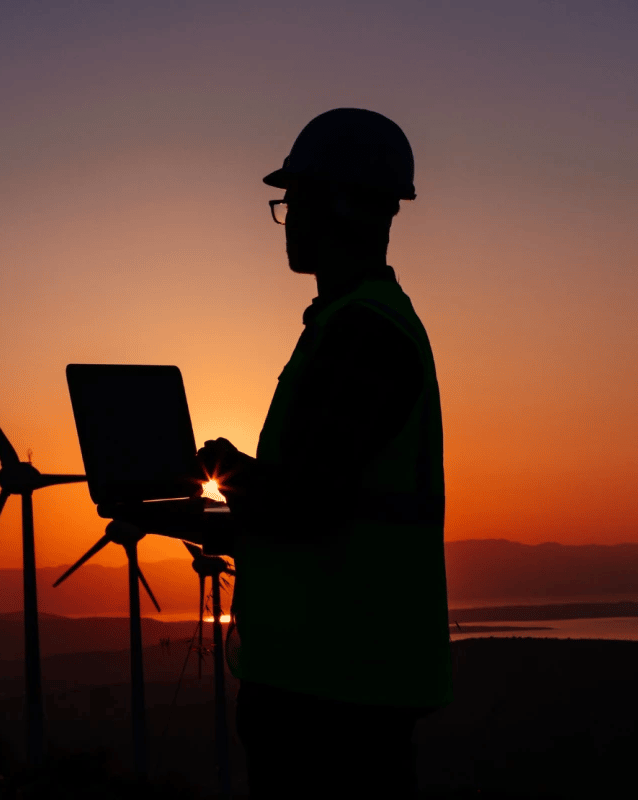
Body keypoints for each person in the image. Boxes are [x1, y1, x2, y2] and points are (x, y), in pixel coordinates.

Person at [197, 108, 452, 798]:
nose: (289, 219)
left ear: (341, 203)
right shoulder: (357, 323)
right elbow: (326, 499)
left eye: (295, 200)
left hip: (334, 688)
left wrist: (219, 484)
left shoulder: (362, 334)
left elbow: (303, 507)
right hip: (345, 677)